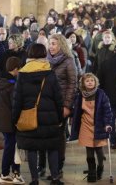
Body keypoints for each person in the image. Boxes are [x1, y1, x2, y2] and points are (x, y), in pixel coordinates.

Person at [12, 43, 64, 185]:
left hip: (29, 118)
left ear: (30, 55)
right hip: (50, 117)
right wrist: (60, 118)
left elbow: (17, 100)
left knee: (32, 149)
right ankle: (55, 178)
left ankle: (34, 180)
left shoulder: (22, 74)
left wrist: (15, 119)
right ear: (43, 55)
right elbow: (58, 99)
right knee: (52, 148)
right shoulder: (50, 73)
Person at [42, 33, 77, 178]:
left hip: (60, 104)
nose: (51, 46)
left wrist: (67, 106)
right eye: (50, 44)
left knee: (59, 136)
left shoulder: (69, 60)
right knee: (44, 135)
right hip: (46, 104)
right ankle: (43, 166)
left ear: (61, 45)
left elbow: (72, 84)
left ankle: (58, 168)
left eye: (54, 44)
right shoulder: (45, 60)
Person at [69, 73, 113, 182]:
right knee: (89, 150)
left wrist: (107, 123)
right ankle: (92, 172)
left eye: (92, 80)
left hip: (98, 125)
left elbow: (107, 110)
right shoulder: (80, 96)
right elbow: (77, 111)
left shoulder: (101, 94)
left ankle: (100, 167)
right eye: (87, 80)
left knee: (98, 149)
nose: (90, 82)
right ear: (83, 83)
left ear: (95, 82)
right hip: (86, 125)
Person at [0, 57, 25, 184]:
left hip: (1, 119)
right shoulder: (12, 84)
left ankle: (10, 172)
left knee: (10, 145)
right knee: (11, 146)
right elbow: (14, 105)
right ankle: (6, 173)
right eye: (19, 68)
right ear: (15, 69)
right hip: (9, 120)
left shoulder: (0, 80)